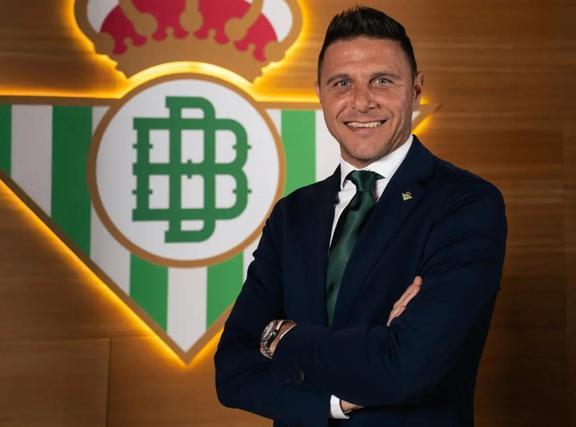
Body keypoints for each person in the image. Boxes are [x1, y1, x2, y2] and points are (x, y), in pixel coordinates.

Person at [215, 5, 507, 427]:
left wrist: (280, 337)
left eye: (382, 81)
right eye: (342, 83)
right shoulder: (293, 214)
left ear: (416, 89)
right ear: (320, 93)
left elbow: (405, 367)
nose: (361, 101)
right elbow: (232, 372)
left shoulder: (466, 204)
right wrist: (339, 401)